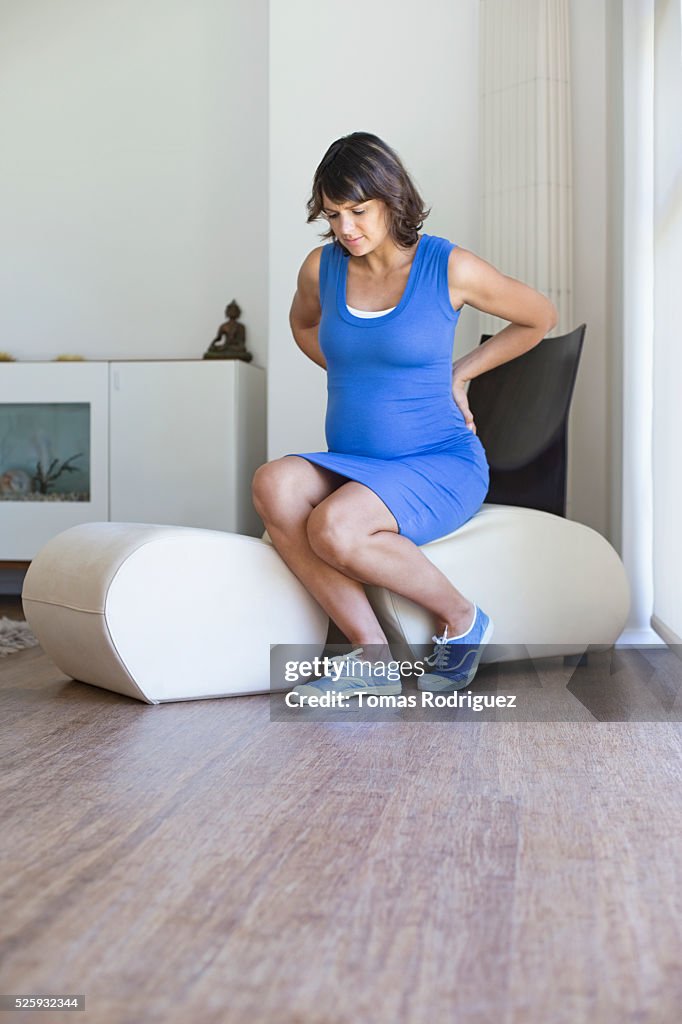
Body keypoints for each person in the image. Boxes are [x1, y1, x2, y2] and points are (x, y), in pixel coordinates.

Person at [252, 132, 557, 699]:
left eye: (358, 211)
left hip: (439, 462)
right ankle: (371, 658)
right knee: (273, 481)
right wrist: (354, 369)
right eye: (333, 213)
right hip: (357, 463)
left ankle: (464, 619)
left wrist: (461, 373)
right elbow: (303, 325)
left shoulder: (447, 266)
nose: (346, 228)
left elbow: (539, 316)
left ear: (391, 198)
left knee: (335, 525)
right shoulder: (322, 269)